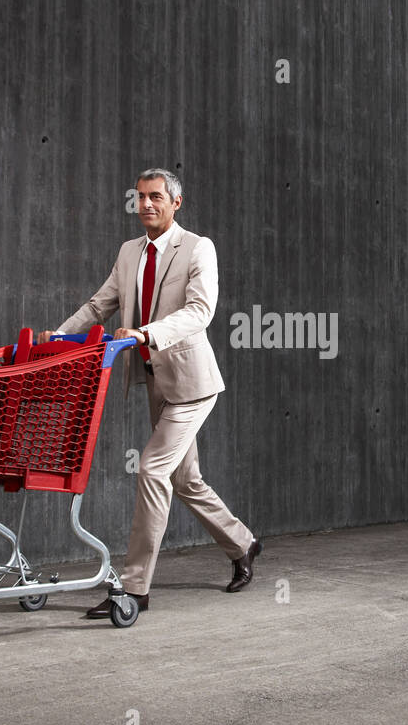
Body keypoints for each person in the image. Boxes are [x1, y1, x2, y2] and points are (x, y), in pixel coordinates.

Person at [39, 168, 261, 617]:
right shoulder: (128, 252)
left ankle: (133, 590)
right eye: (140, 197)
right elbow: (100, 304)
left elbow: (200, 311)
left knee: (152, 469)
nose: (146, 205)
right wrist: (59, 336)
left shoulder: (198, 248)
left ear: (175, 203)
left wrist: (145, 333)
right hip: (153, 381)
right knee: (185, 479)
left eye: (156, 197)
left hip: (193, 385)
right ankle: (244, 543)